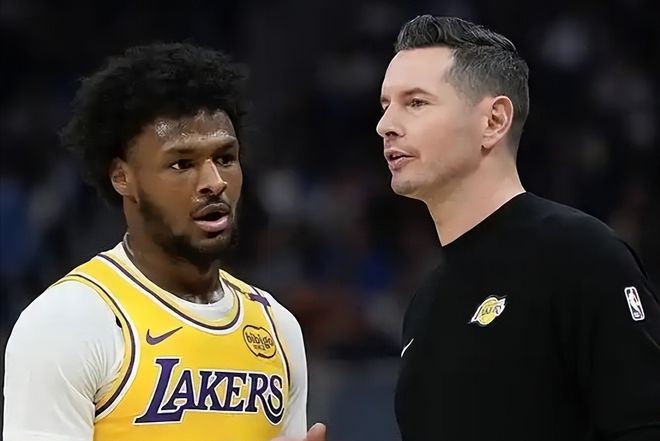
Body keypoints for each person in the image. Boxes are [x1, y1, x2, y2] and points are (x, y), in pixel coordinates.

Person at [3, 43, 312, 441]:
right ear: (122, 177)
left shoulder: (278, 328)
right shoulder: (68, 322)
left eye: (225, 158)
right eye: (182, 164)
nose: (214, 182)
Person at [377, 15, 660, 441]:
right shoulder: (425, 300)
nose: (385, 125)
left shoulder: (579, 254)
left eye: (415, 103)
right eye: (385, 105)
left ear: (494, 121)